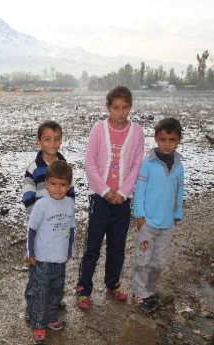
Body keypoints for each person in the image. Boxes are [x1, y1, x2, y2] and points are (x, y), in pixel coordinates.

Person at [76, 86, 144, 310]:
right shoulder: (98, 129)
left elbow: (136, 165)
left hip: (122, 202)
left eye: (125, 107)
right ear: (108, 107)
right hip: (100, 199)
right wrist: (105, 191)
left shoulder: (137, 132)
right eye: (116, 107)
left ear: (130, 107)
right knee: (92, 246)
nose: (121, 112)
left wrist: (123, 193)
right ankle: (84, 289)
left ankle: (112, 284)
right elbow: (90, 163)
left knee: (117, 245)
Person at [22, 120, 75, 322]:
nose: (52, 143)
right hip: (41, 225)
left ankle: (52, 301)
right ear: (39, 142)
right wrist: (38, 214)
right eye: (47, 139)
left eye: (56, 139)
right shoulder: (34, 168)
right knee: (37, 273)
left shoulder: (64, 165)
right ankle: (33, 303)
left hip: (57, 229)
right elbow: (27, 194)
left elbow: (70, 193)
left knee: (54, 273)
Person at [132, 118, 184, 312]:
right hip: (148, 223)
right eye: (162, 139)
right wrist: (139, 216)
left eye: (171, 139)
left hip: (167, 224)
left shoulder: (179, 166)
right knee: (143, 260)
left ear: (178, 140)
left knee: (158, 262)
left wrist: (177, 213)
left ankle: (150, 291)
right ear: (156, 139)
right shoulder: (148, 164)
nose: (167, 144)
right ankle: (139, 294)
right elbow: (139, 190)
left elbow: (180, 192)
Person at [26, 160, 75, 344]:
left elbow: (71, 228)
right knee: (41, 292)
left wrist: (70, 249)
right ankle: (38, 324)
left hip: (60, 259)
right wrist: (30, 253)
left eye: (62, 185)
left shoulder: (69, 203)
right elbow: (31, 229)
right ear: (46, 183)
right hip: (42, 259)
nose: (58, 189)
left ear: (68, 186)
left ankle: (51, 317)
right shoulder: (41, 205)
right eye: (53, 184)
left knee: (56, 291)